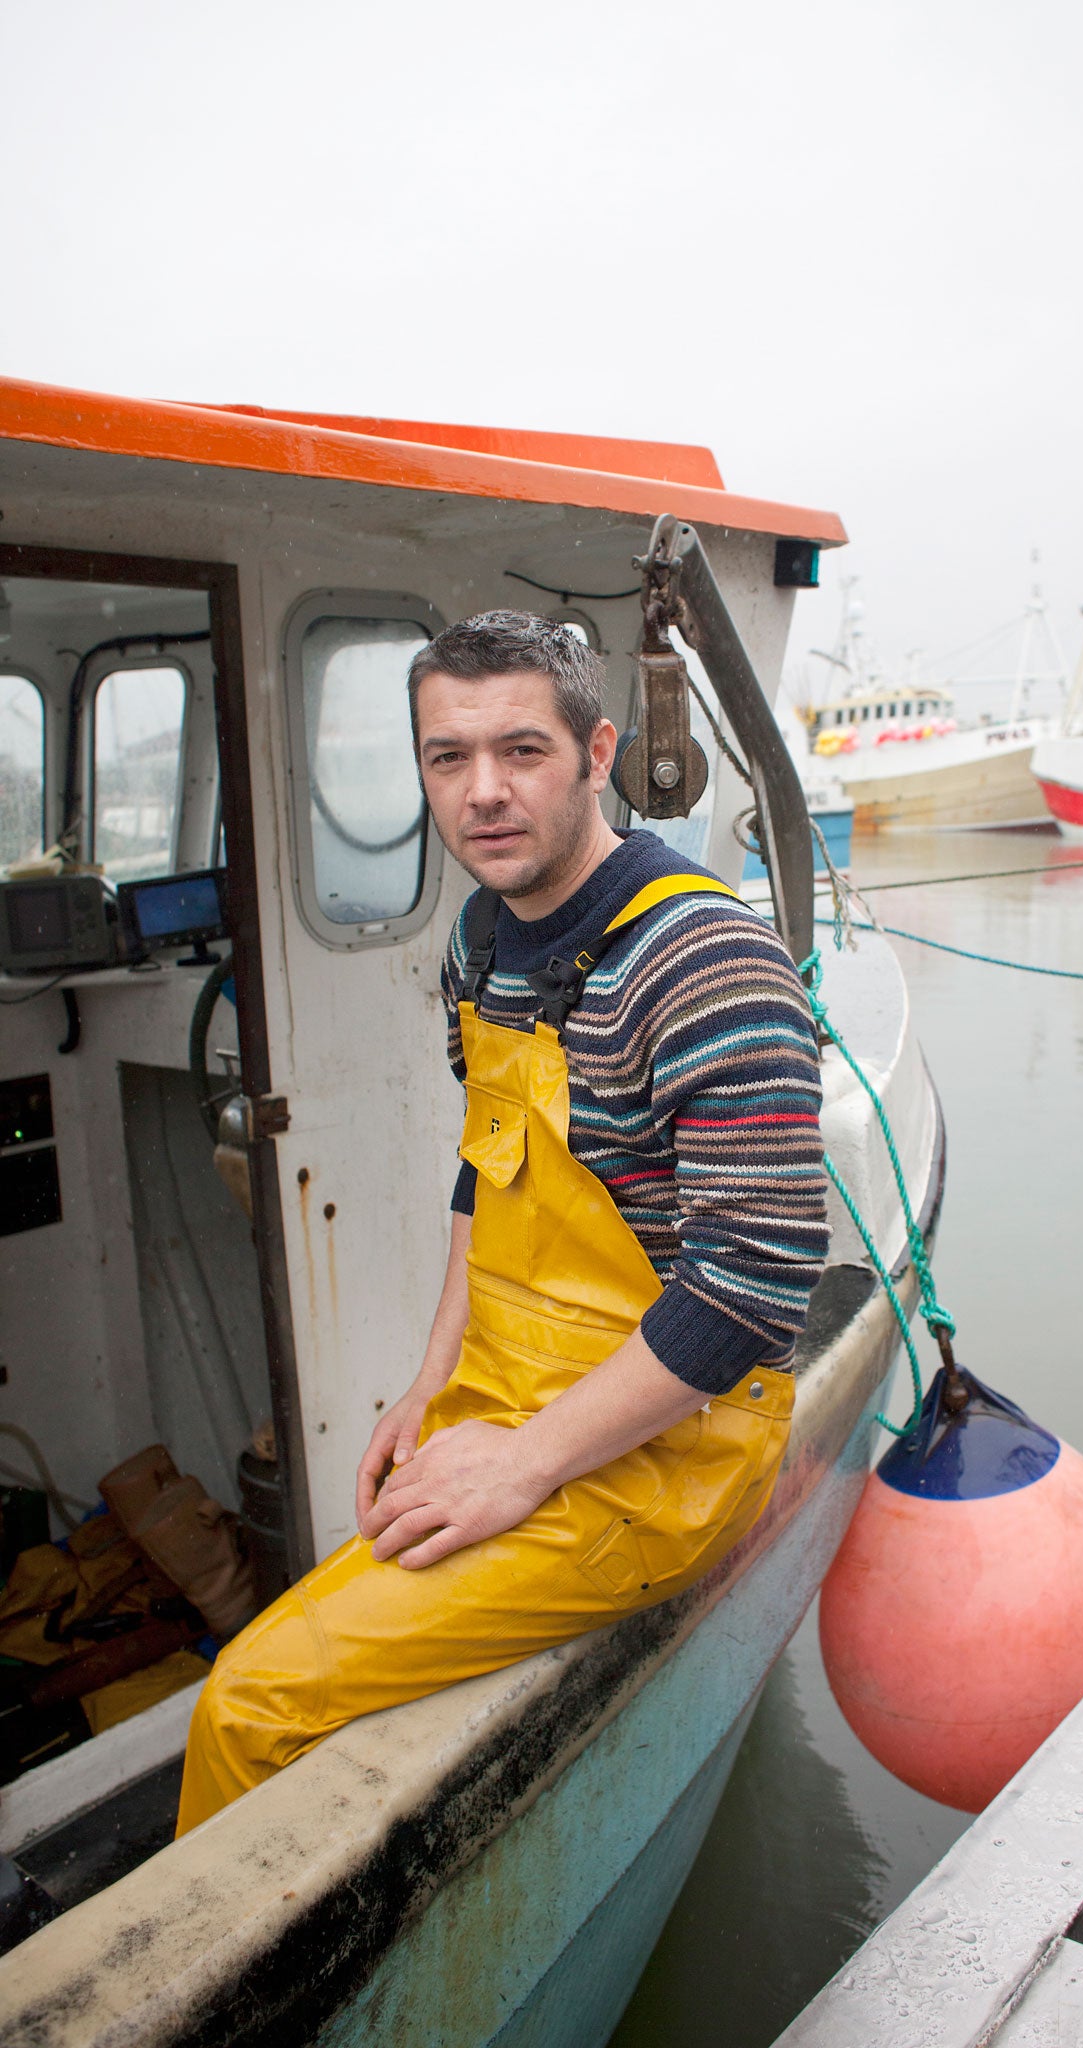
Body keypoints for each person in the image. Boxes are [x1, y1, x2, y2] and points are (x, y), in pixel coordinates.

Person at [176, 610, 828, 1832]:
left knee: (247, 1705)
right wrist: (434, 1384)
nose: (483, 792)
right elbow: (490, 1170)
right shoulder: (480, 938)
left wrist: (524, 1462)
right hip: (514, 1395)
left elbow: (751, 1286)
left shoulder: (705, 960)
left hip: (667, 1451)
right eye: (447, 756)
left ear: (598, 752)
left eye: (522, 751)